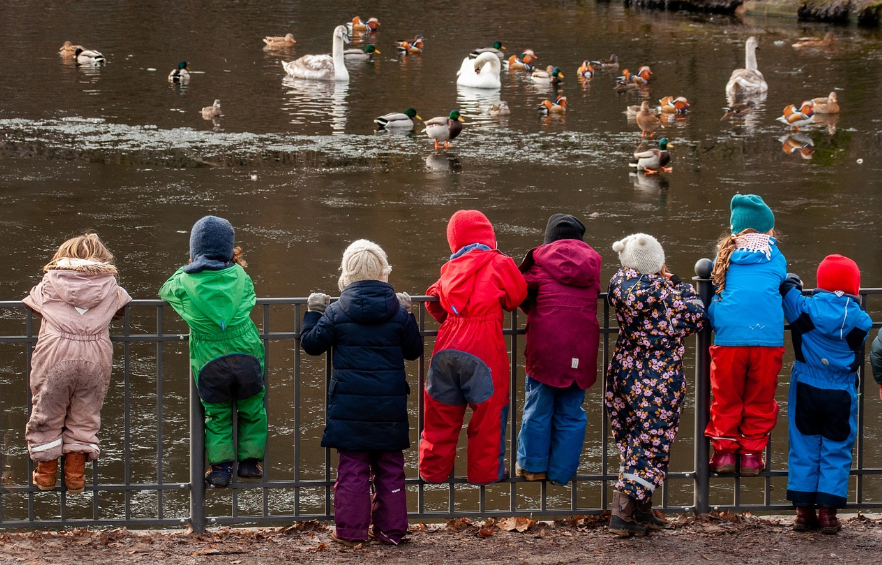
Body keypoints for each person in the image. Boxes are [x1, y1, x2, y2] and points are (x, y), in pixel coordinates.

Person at [300, 240, 422, 546]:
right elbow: (413, 351)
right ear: (384, 272)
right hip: (389, 406)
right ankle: (391, 532)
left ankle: (351, 532)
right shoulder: (396, 311)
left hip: (349, 407)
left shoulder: (337, 311)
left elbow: (312, 345)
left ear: (346, 274)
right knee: (391, 468)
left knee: (352, 469)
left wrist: (313, 313)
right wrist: (408, 314)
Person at [605, 233, 708, 536]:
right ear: (658, 264)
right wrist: (679, 282)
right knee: (653, 442)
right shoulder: (668, 298)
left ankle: (641, 509)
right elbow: (698, 315)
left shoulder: (618, 286)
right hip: (657, 377)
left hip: (624, 371)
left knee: (633, 439)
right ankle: (622, 510)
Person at [418, 210, 527, 485]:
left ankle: (432, 472)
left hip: (446, 345)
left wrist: (450, 317)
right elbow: (517, 296)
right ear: (488, 235)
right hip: (483, 346)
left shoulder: (448, 268)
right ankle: (485, 474)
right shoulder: (499, 263)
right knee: (488, 415)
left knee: (440, 413)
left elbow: (432, 300)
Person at [159, 216, 267, 488]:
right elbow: (250, 298)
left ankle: (220, 469)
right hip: (247, 351)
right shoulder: (241, 275)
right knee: (253, 408)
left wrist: (187, 268)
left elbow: (165, 290)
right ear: (229, 250)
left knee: (216, 414)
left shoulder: (184, 281)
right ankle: (250, 463)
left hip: (209, 357)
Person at [23, 233, 132, 493]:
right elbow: (121, 307)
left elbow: (33, 302)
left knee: (46, 411)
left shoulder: (50, 283)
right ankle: (75, 476)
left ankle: (46, 473)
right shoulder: (111, 288)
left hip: (55, 352)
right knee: (86, 415)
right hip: (96, 354)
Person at [780, 255, 871, 534]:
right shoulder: (862, 321)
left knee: (804, 445)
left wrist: (795, 282)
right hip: (841, 391)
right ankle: (829, 514)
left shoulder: (803, 309)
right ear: (855, 288)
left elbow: (786, 289)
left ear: (821, 284)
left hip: (807, 385)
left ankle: (803, 513)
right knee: (837, 448)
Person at [515, 214, 602, 485]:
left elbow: (519, 291)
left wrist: (533, 309)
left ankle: (533, 467)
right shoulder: (591, 266)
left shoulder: (540, 263)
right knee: (572, 411)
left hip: (547, 348)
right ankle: (562, 473)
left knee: (539, 406)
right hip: (582, 349)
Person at [704, 194, 786, 476]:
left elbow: (717, 293)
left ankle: (725, 453)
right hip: (768, 340)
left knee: (725, 397)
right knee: (760, 399)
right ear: (768, 229)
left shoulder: (723, 256)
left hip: (729, 340)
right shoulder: (775, 256)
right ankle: (751, 455)